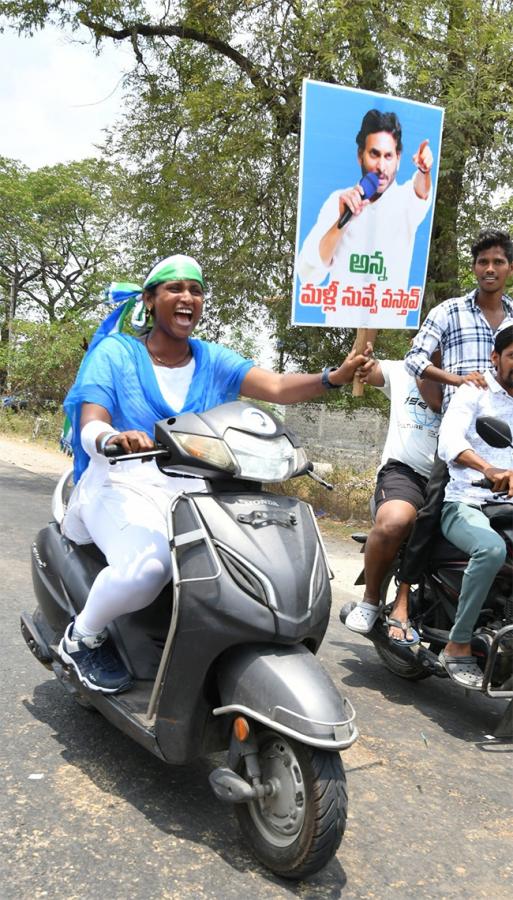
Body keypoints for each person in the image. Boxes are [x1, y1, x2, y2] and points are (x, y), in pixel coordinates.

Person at [59, 254, 371, 694]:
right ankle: (82, 637)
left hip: (196, 491)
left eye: (196, 290)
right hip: (120, 482)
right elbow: (91, 418)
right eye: (175, 289)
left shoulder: (212, 358)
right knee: (147, 568)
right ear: (149, 301)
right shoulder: (117, 353)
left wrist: (333, 377)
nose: (188, 297)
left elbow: (278, 387)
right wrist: (113, 438)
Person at [394, 228, 513, 616]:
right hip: (457, 432)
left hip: (504, 435)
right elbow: (415, 360)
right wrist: (457, 379)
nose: (490, 269)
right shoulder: (449, 311)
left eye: (498, 261)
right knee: (430, 512)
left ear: (509, 268)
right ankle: (402, 599)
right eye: (483, 262)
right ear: (474, 268)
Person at [343, 354, 442, 642]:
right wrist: (362, 354)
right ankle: (370, 601)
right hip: (406, 473)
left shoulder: (473, 380)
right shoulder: (401, 371)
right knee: (395, 522)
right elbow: (364, 371)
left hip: (457, 479)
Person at [436, 325, 513, 689]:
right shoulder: (474, 392)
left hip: (508, 509)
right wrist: (488, 468)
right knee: (491, 549)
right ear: (496, 358)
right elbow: (448, 440)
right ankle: (457, 643)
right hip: (466, 501)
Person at [296, 109, 433, 295]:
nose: (381, 167)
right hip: (342, 319)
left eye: (388, 156)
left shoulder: (405, 201)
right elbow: (308, 274)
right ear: (360, 155)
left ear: (398, 158)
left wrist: (424, 171)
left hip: (389, 315)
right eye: (374, 155)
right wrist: (341, 223)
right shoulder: (338, 201)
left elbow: (421, 191)